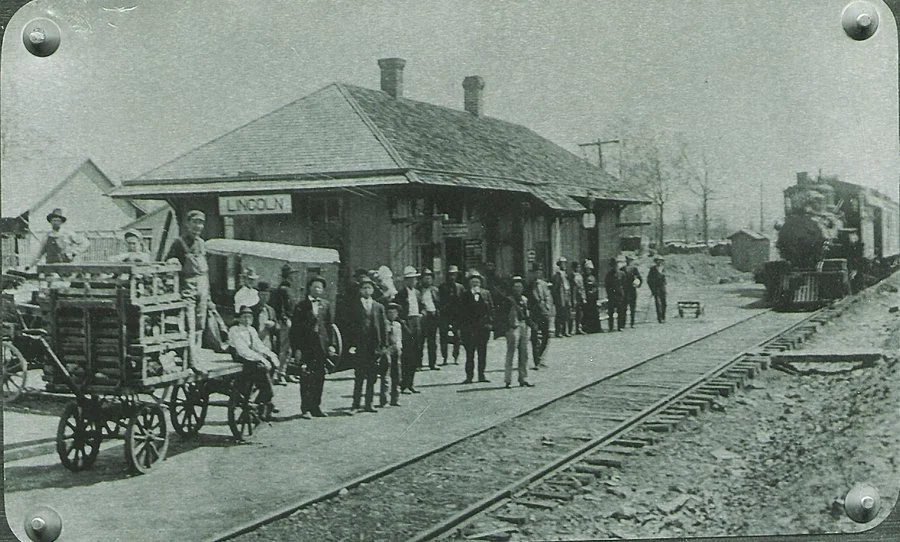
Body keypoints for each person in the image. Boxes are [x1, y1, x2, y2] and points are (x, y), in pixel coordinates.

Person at [289, 276, 337, 419]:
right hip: (306, 346)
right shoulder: (301, 305)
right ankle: (306, 409)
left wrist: (331, 345)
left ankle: (316, 407)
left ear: (322, 290)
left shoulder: (326, 305)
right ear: (310, 288)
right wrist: (297, 349)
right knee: (305, 377)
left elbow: (329, 326)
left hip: (321, 347)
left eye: (320, 287)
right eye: (315, 286)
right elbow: (295, 329)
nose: (317, 289)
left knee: (319, 377)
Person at [165, 210, 210, 355]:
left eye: (201, 223)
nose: (198, 226)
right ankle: (191, 359)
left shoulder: (202, 243)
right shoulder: (179, 243)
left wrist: (208, 294)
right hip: (188, 286)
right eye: (195, 222)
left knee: (200, 323)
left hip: (202, 285)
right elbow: (168, 262)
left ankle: (197, 354)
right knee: (189, 324)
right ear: (187, 224)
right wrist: (173, 262)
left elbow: (204, 269)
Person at [228, 305, 279, 420]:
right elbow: (243, 351)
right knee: (262, 367)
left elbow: (258, 345)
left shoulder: (251, 330)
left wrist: (271, 355)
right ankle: (264, 395)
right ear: (239, 318)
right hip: (240, 356)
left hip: (249, 356)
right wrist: (262, 359)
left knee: (271, 363)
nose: (247, 320)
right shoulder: (235, 330)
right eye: (244, 317)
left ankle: (263, 399)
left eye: (249, 317)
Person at [345, 276, 387, 413]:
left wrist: (383, 345)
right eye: (364, 288)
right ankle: (355, 405)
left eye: (369, 288)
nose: (366, 290)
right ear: (360, 290)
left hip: (373, 346)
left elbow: (383, 327)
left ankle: (369, 403)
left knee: (372, 376)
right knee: (359, 376)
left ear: (373, 290)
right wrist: (351, 344)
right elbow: (349, 327)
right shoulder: (354, 306)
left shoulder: (378, 307)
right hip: (360, 346)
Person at [459, 270, 493, 384]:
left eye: (477, 282)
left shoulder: (486, 293)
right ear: (469, 283)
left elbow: (491, 309)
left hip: (483, 328)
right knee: (470, 353)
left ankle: (481, 375)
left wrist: (489, 323)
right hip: (469, 329)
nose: (475, 284)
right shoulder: (464, 294)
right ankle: (469, 376)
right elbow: (461, 312)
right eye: (473, 282)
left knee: (482, 353)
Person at [395, 265, 423, 393]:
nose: (413, 281)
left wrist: (422, 314)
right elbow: (398, 311)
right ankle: (404, 384)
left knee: (416, 354)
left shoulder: (417, 293)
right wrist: (404, 323)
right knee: (407, 355)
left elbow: (421, 306)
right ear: (405, 281)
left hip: (417, 322)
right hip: (407, 324)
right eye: (410, 279)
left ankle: (411, 383)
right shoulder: (401, 293)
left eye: (415, 279)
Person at [504, 276, 534, 388]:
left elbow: (527, 314)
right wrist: (507, 328)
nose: (518, 289)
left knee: (524, 354)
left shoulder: (525, 299)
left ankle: (523, 378)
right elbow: (503, 316)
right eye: (516, 286)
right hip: (513, 327)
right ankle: (508, 380)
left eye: (520, 286)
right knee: (511, 354)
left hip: (523, 326)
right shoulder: (508, 300)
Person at [269, 264, 297, 383]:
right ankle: (279, 374)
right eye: (292, 275)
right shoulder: (282, 289)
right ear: (288, 276)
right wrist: (284, 319)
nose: (294, 277)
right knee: (284, 348)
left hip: (291, 320)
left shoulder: (289, 289)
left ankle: (285, 372)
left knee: (289, 349)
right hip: (286, 322)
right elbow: (279, 307)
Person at [438, 264, 464, 366]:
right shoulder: (442, 287)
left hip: (456, 316)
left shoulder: (460, 287)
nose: (452, 277)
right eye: (450, 274)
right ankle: (444, 357)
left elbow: (463, 301)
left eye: (454, 274)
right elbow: (439, 301)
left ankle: (455, 357)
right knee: (443, 336)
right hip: (445, 315)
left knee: (457, 336)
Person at [528, 265, 554, 369]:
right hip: (534, 313)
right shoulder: (529, 285)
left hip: (544, 313)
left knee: (546, 335)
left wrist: (547, 307)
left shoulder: (543, 284)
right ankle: (536, 361)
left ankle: (540, 355)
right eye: (536, 272)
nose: (538, 274)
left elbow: (548, 296)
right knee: (534, 336)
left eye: (539, 272)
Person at [379, 302, 404, 407]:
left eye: (394, 312)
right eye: (390, 312)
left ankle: (395, 398)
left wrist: (400, 348)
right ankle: (384, 400)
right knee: (385, 375)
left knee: (397, 375)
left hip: (396, 349)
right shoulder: (384, 324)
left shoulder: (398, 325)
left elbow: (399, 338)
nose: (392, 314)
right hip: (387, 350)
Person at [419, 268, 441, 371]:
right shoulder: (418, 290)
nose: (427, 280)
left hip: (433, 317)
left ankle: (433, 363)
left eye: (429, 278)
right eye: (425, 278)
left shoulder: (435, 290)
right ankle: (418, 363)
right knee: (420, 341)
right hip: (423, 317)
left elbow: (438, 303)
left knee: (432, 342)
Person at [551, 257, 572, 337]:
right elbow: (555, 288)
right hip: (560, 296)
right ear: (559, 265)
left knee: (567, 314)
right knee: (560, 314)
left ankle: (565, 331)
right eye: (562, 263)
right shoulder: (557, 275)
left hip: (567, 294)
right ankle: (558, 331)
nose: (564, 265)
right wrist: (556, 298)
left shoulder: (566, 274)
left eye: (565, 263)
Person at [256, 281, 278, 356]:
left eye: (267, 295)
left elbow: (276, 328)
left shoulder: (271, 310)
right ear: (258, 295)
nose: (265, 297)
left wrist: (273, 324)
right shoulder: (252, 310)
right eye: (262, 295)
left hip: (268, 343)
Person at [604, 257, 627, 331]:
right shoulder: (609, 275)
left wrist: (623, 293)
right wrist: (609, 294)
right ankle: (611, 327)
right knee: (611, 312)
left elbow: (624, 284)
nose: (615, 266)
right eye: (613, 265)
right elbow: (607, 285)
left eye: (616, 265)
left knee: (620, 311)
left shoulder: (622, 274)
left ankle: (620, 326)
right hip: (611, 295)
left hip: (619, 295)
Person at [622, 255, 643, 328]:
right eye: (628, 260)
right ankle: (623, 323)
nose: (629, 261)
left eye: (630, 260)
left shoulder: (634, 269)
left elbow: (640, 278)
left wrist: (638, 283)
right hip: (625, 290)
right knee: (624, 307)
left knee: (632, 307)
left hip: (632, 290)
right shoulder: (622, 269)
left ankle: (632, 323)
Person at [648, 256, 668, 323]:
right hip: (656, 288)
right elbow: (649, 280)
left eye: (661, 261)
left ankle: (663, 317)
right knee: (658, 303)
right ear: (656, 261)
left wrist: (664, 283)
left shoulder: (663, 268)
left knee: (664, 303)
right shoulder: (652, 269)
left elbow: (664, 278)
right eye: (658, 260)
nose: (659, 262)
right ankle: (659, 318)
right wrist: (652, 289)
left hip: (662, 288)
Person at [570, 261, 586, 335]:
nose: (579, 268)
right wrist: (574, 299)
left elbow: (582, 287)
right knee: (573, 313)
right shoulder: (572, 275)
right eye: (577, 267)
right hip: (575, 295)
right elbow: (573, 288)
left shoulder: (580, 275)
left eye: (579, 267)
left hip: (580, 295)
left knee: (580, 313)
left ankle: (578, 327)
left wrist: (583, 297)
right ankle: (570, 329)